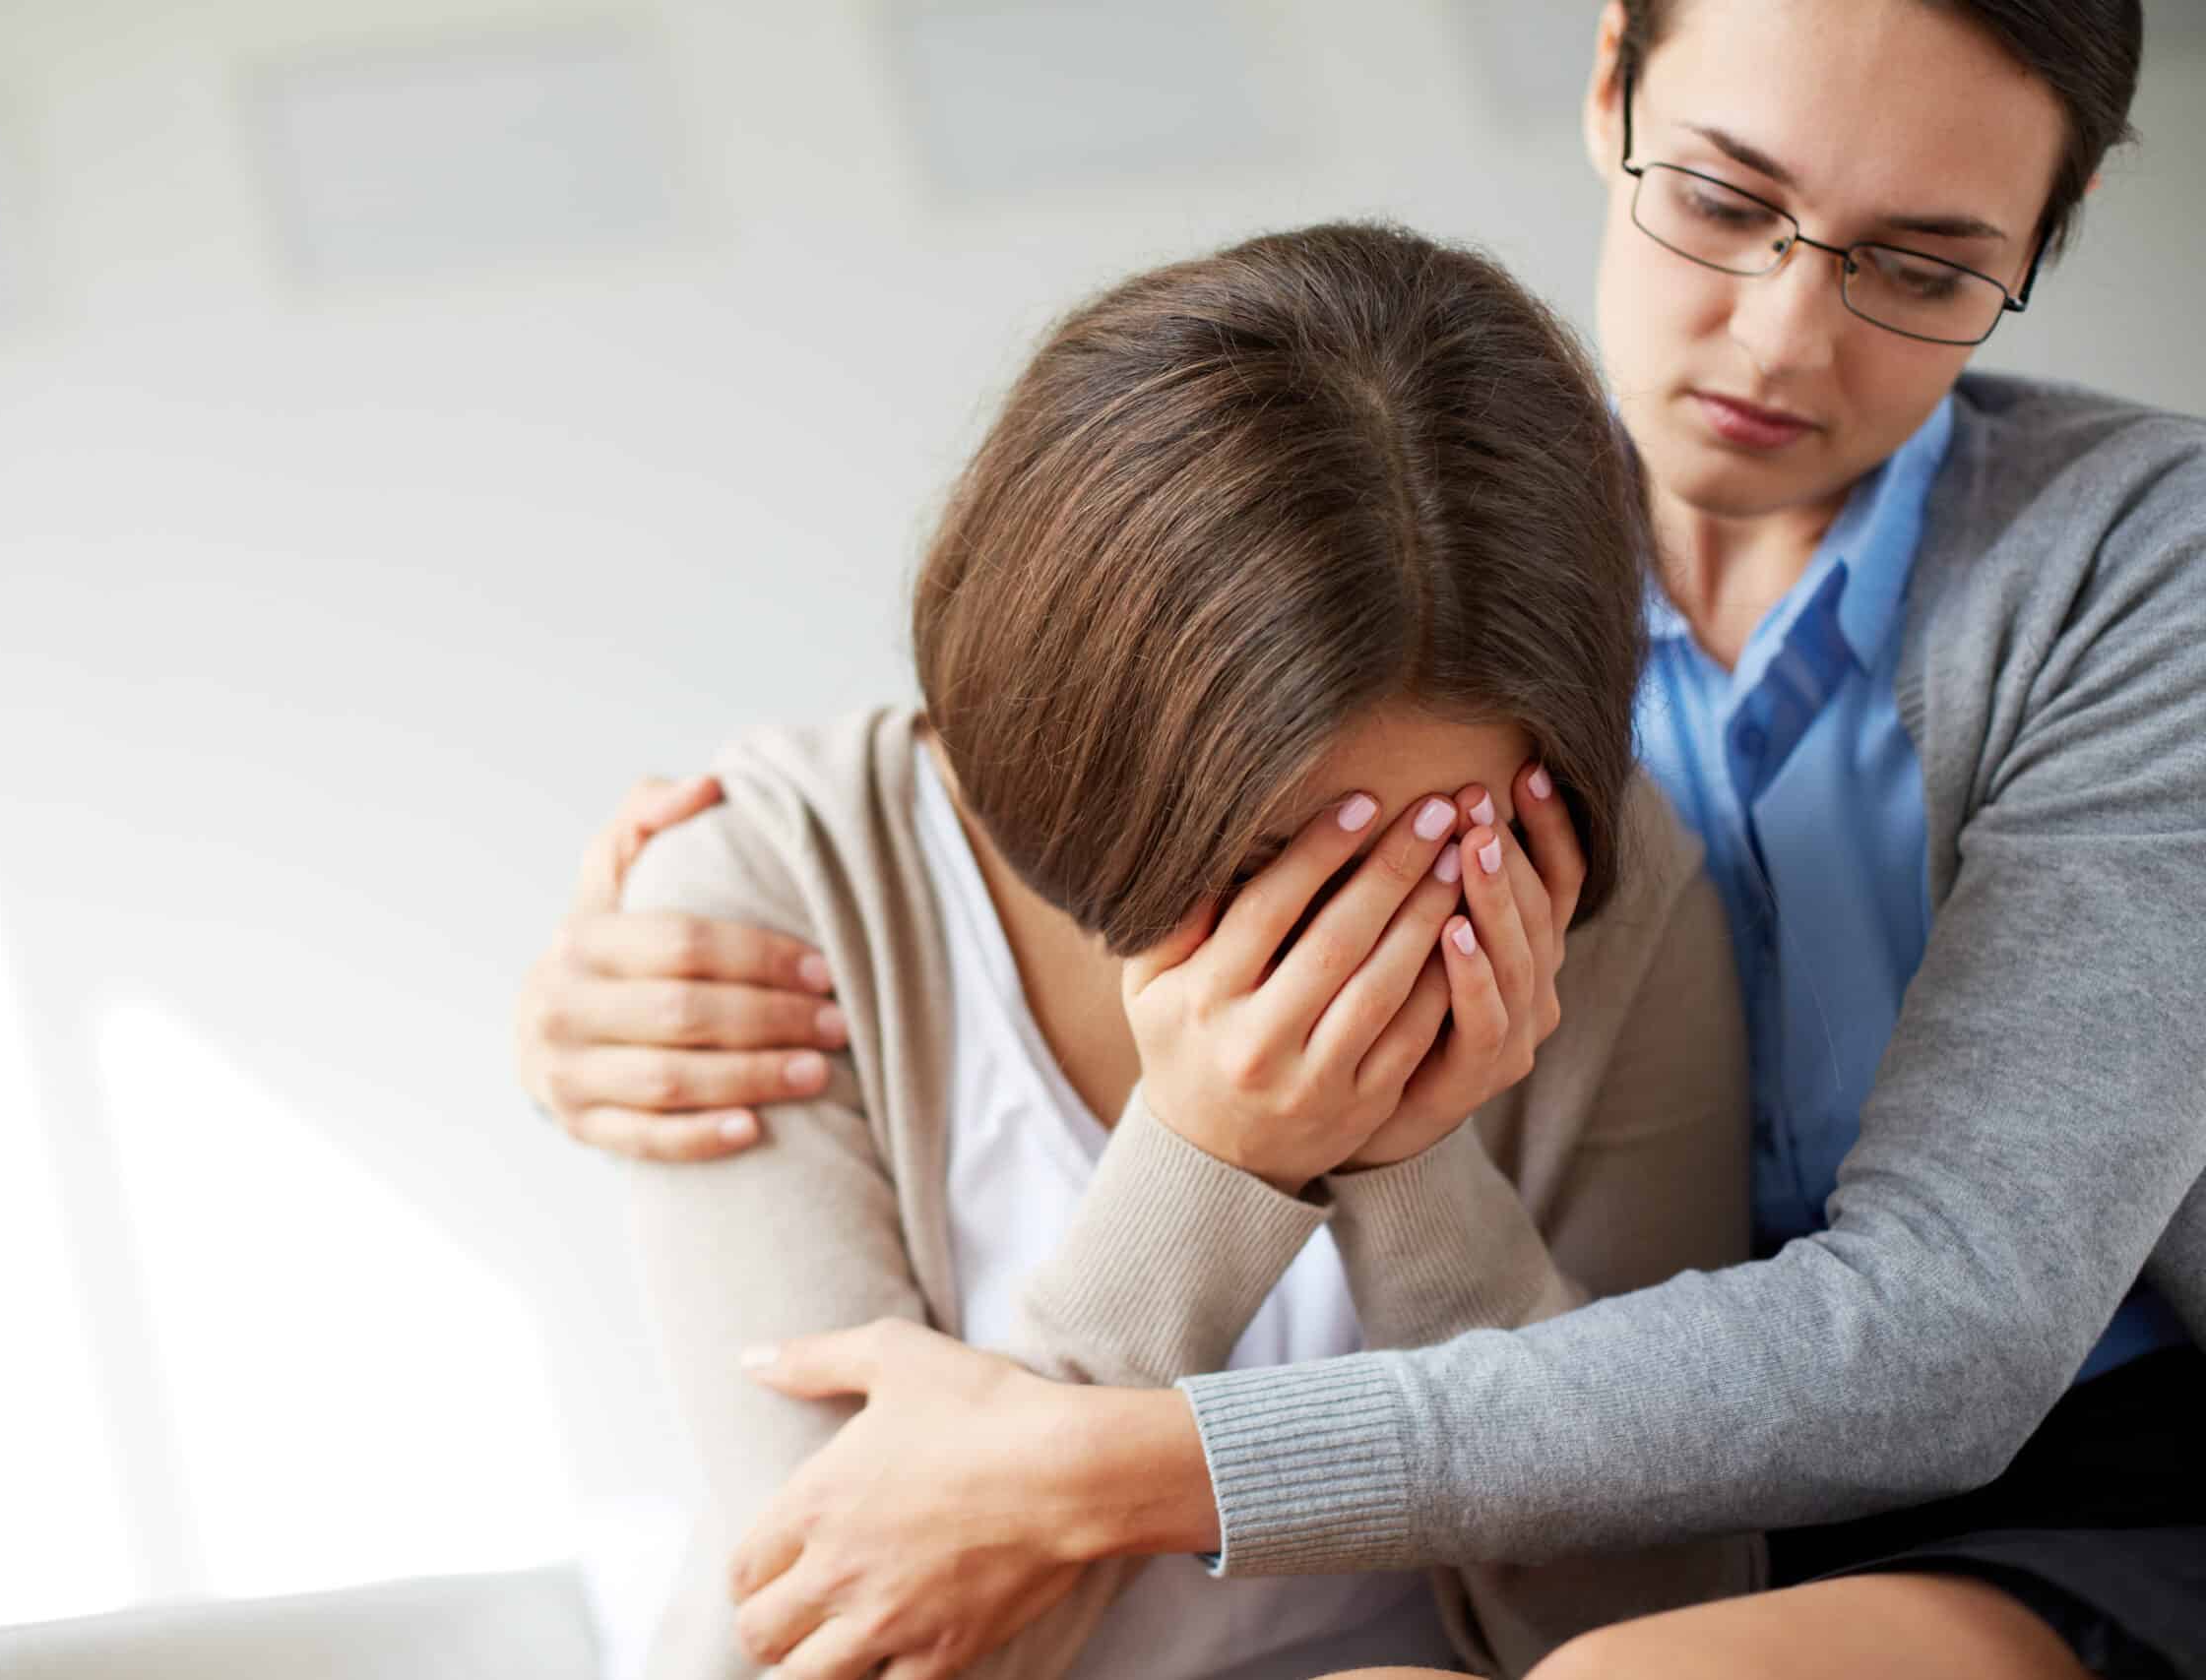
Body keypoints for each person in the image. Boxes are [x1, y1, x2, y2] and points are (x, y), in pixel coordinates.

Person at [527, 0, 2206, 1675]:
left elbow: (1933, 1339)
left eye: (1920, 268)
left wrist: (1278, 1244)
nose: (1779, 342)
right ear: (1611, 78)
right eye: (1715, 198)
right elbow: (847, 1607)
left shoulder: (2089, 591)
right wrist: (576, 1014)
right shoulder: (1426, 546)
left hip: (2065, 1462)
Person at [609, 220, 1756, 1680]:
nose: (1352, 948)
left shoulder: (1604, 883)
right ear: (1086, 732)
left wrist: (1409, 1162)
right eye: (1287, 859)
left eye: (1428, 865)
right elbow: (845, 1639)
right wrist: (1215, 1162)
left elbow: (1656, 1628)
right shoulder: (771, 885)